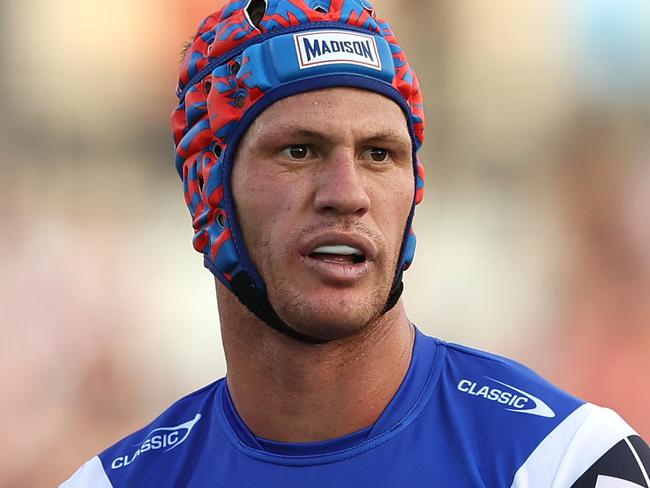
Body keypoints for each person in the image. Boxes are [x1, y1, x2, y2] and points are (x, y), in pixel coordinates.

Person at [61, 0, 649, 486]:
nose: (347, 194)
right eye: (298, 150)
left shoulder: (564, 462)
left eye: (379, 154)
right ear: (209, 191)